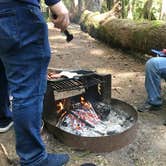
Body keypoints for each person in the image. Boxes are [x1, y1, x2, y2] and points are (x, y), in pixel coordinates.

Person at [0, 0, 70, 165]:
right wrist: (55, 3)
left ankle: (3, 118)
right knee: (27, 87)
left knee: (3, 67)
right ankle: (34, 159)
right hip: (18, 11)